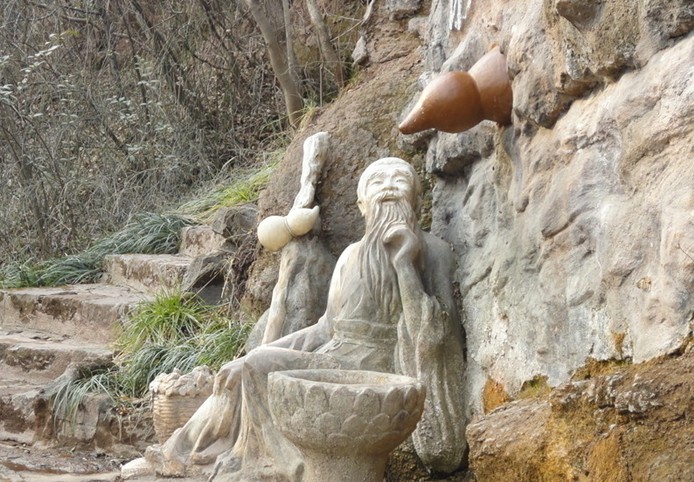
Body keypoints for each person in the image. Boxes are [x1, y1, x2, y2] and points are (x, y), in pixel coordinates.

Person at [135, 157, 466, 480]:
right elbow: (326, 328)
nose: (389, 188)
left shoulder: (433, 251)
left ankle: (287, 468)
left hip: (379, 365)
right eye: (378, 182)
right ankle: (182, 451)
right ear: (362, 205)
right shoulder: (351, 256)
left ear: (417, 200)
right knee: (243, 367)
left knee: (258, 365)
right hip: (334, 355)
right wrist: (261, 352)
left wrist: (405, 264)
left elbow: (436, 333)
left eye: (399, 180)